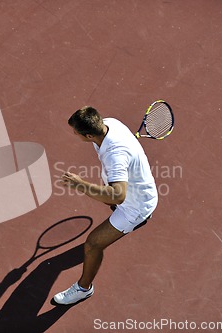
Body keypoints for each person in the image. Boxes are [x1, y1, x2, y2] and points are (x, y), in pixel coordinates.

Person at [53, 106, 158, 305]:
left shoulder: (115, 155)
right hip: (136, 189)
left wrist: (80, 184)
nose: (74, 134)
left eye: (76, 132)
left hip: (135, 207)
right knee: (106, 197)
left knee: (93, 244)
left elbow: (117, 196)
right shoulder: (110, 123)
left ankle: (84, 288)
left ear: (89, 135)